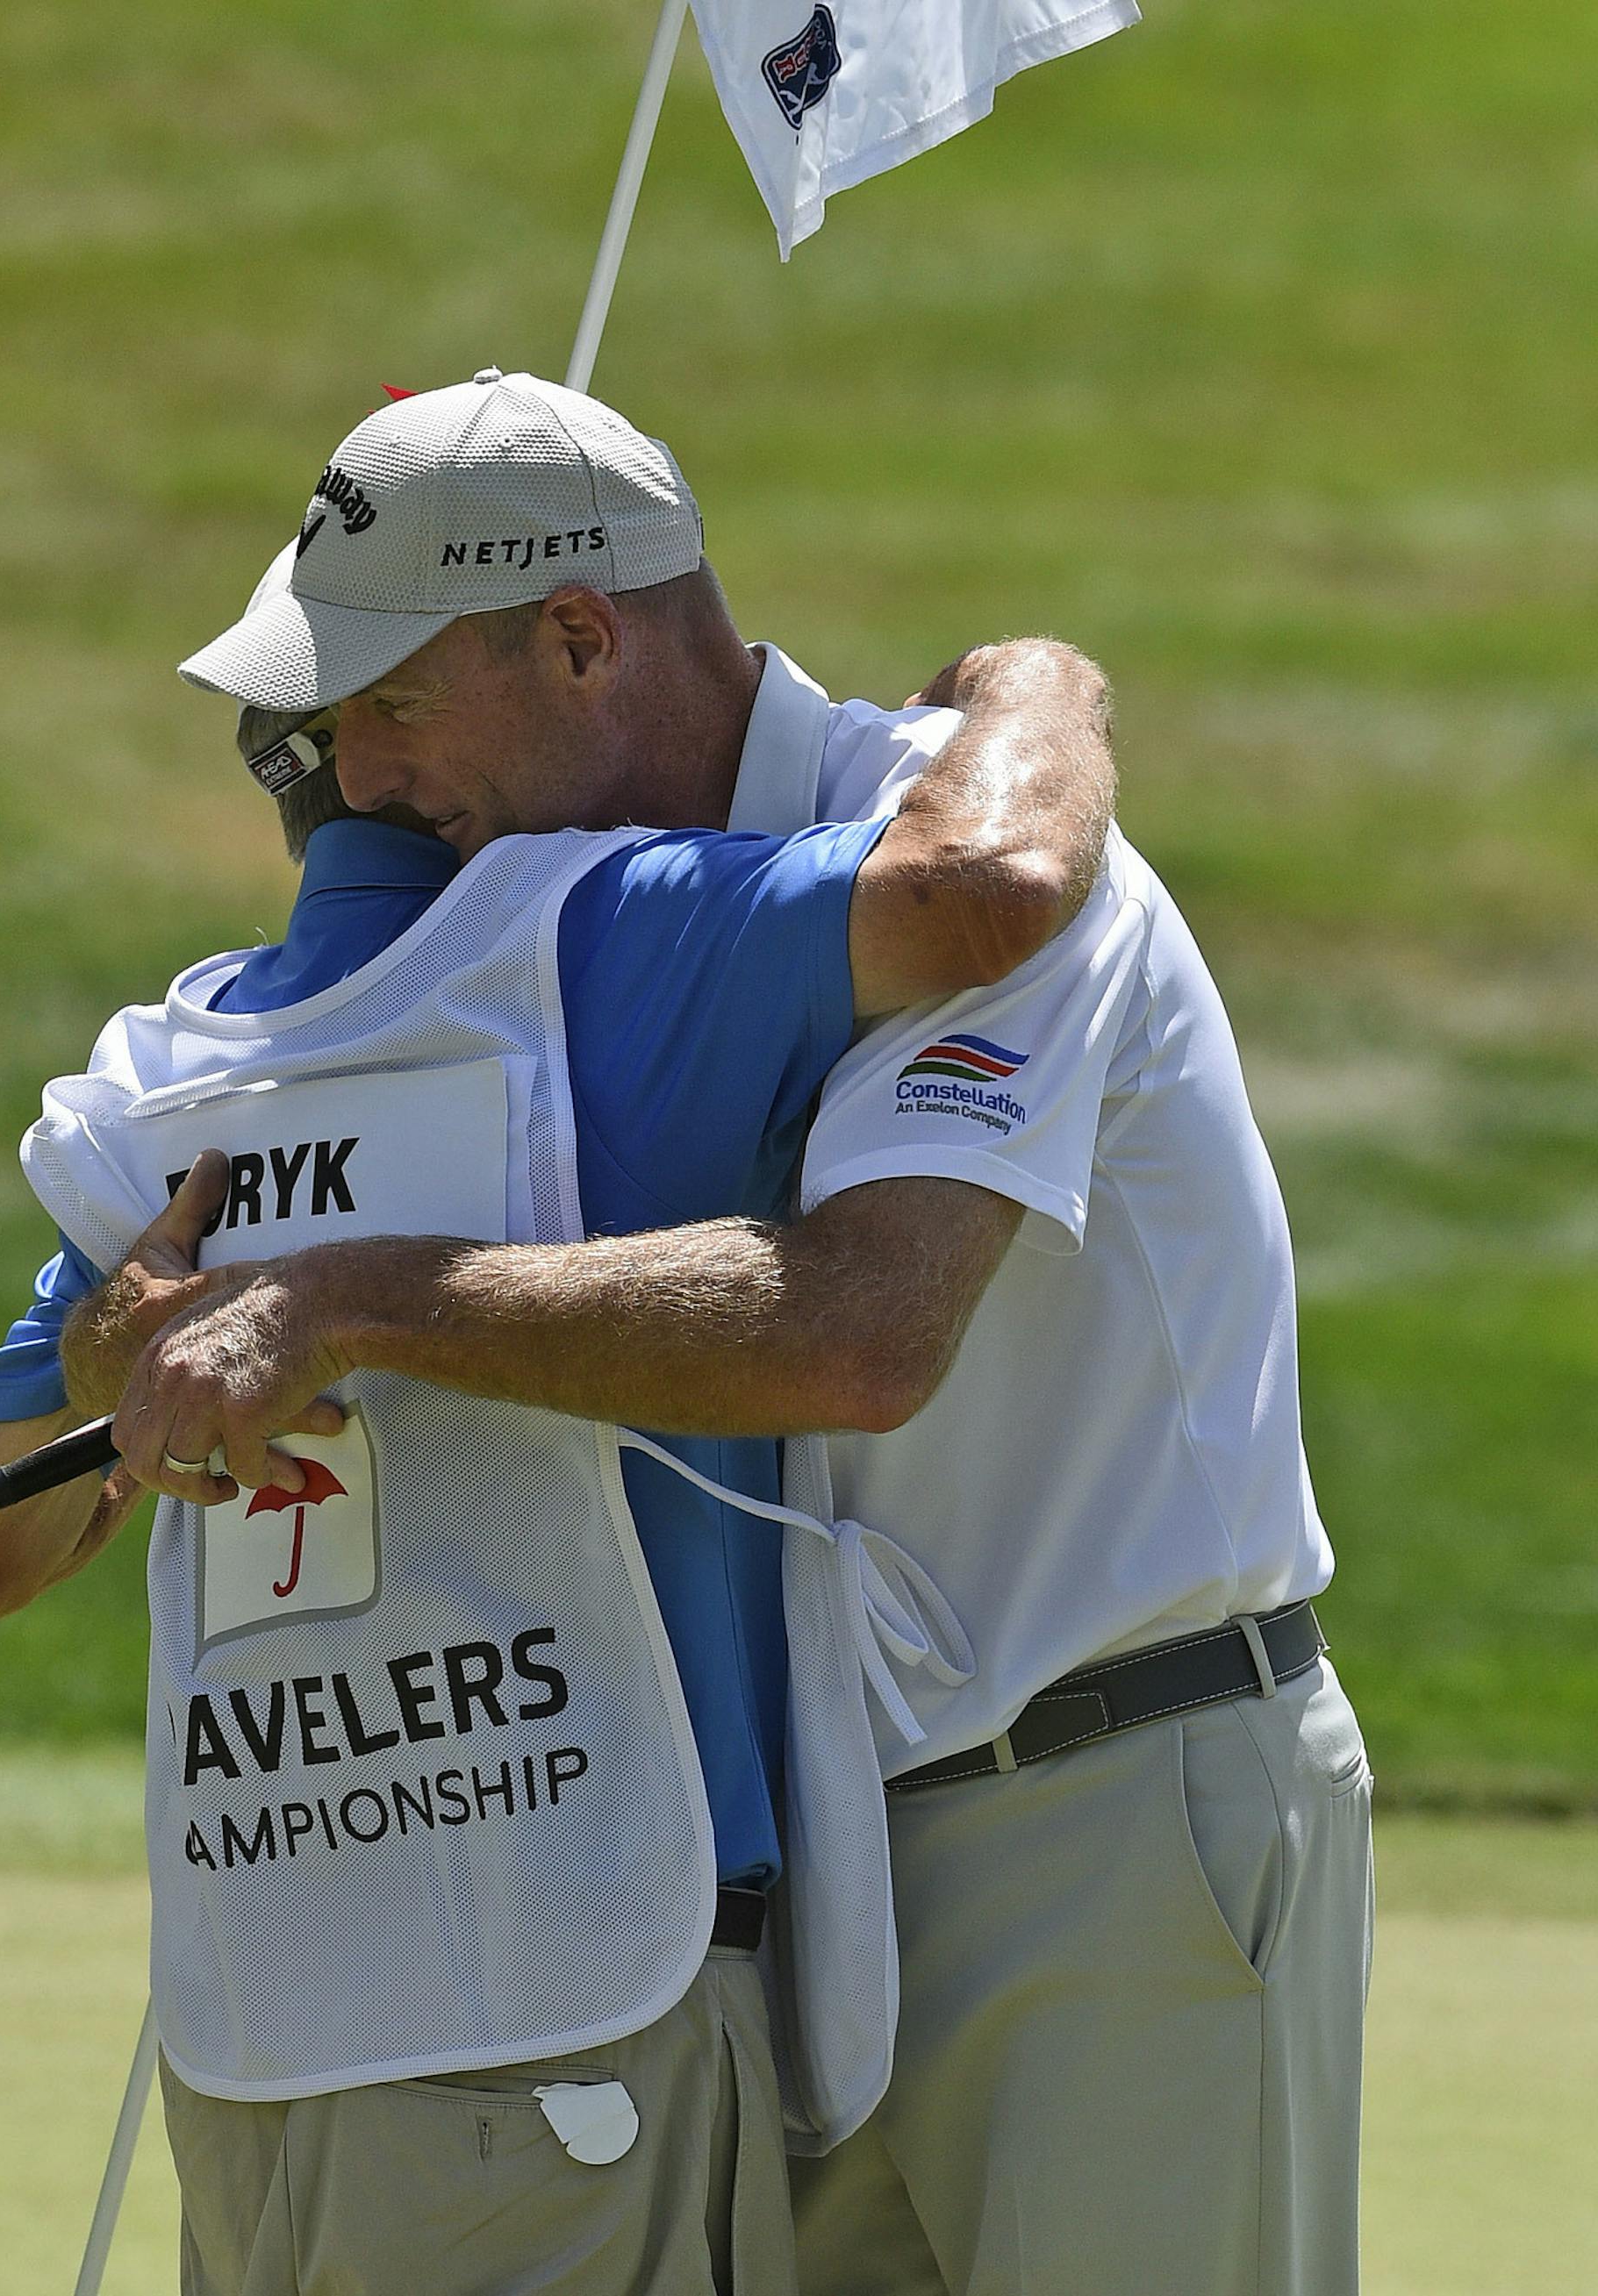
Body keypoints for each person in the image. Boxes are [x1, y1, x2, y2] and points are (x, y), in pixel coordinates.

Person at [95, 373, 1372, 2295]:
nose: (354, 780)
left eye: (392, 702)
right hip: (787, 1861)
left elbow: (859, 1336)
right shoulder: (557, 936)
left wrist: (348, 1305)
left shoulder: (1000, 860)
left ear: (584, 635)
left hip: (1114, 1806)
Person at [0, 370, 1117, 2296]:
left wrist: (96, 1373)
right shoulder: (611, 925)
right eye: (363, 713)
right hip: (573, 2003)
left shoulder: (191, 1077)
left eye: (390, 700)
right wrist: (1043, 683)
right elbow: (992, 891)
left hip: (270, 2039)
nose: (385, 765)